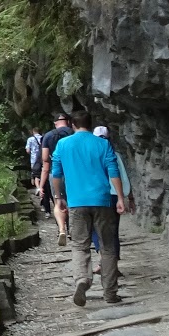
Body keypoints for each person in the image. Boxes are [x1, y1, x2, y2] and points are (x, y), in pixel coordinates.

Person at [50, 109, 125, 306]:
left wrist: (58, 197)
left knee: (80, 245)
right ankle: (110, 293)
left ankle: (82, 279)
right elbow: (114, 171)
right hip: (102, 201)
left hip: (77, 202)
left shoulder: (63, 144)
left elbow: (56, 174)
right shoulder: (102, 144)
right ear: (90, 124)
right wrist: (120, 198)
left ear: (72, 125)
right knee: (107, 247)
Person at [92, 125, 135, 273]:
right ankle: (113, 265)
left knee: (95, 228)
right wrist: (129, 197)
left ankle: (103, 259)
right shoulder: (115, 155)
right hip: (114, 195)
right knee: (113, 230)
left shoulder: (91, 156)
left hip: (97, 196)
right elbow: (124, 177)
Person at [38, 113, 73, 246]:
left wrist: (41, 185)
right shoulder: (73, 133)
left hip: (55, 173)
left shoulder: (48, 136)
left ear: (55, 123)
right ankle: (72, 229)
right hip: (73, 173)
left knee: (58, 202)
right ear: (68, 122)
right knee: (72, 201)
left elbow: (45, 160)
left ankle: (61, 229)